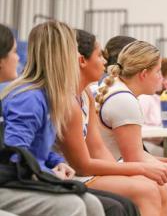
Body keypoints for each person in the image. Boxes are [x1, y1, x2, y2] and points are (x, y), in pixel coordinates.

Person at [59, 29, 167, 216]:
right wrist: (141, 169)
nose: (105, 62)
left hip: (86, 171)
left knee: (154, 185)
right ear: (82, 61)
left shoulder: (86, 94)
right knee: (149, 189)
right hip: (70, 174)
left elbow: (98, 150)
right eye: (99, 55)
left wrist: (128, 172)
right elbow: (82, 165)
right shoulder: (70, 101)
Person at [0, 21, 105, 216]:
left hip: (29, 174)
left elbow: (36, 148)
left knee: (92, 204)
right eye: (73, 51)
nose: (78, 57)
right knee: (72, 206)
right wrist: (47, 174)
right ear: (61, 55)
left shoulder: (49, 96)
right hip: (14, 179)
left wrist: (56, 161)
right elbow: (15, 154)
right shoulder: (29, 98)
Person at [96, 40, 167, 216]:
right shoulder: (124, 100)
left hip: (106, 166)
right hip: (97, 172)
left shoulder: (116, 88)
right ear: (143, 74)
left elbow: (130, 155)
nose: (161, 79)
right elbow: (133, 160)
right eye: (158, 72)